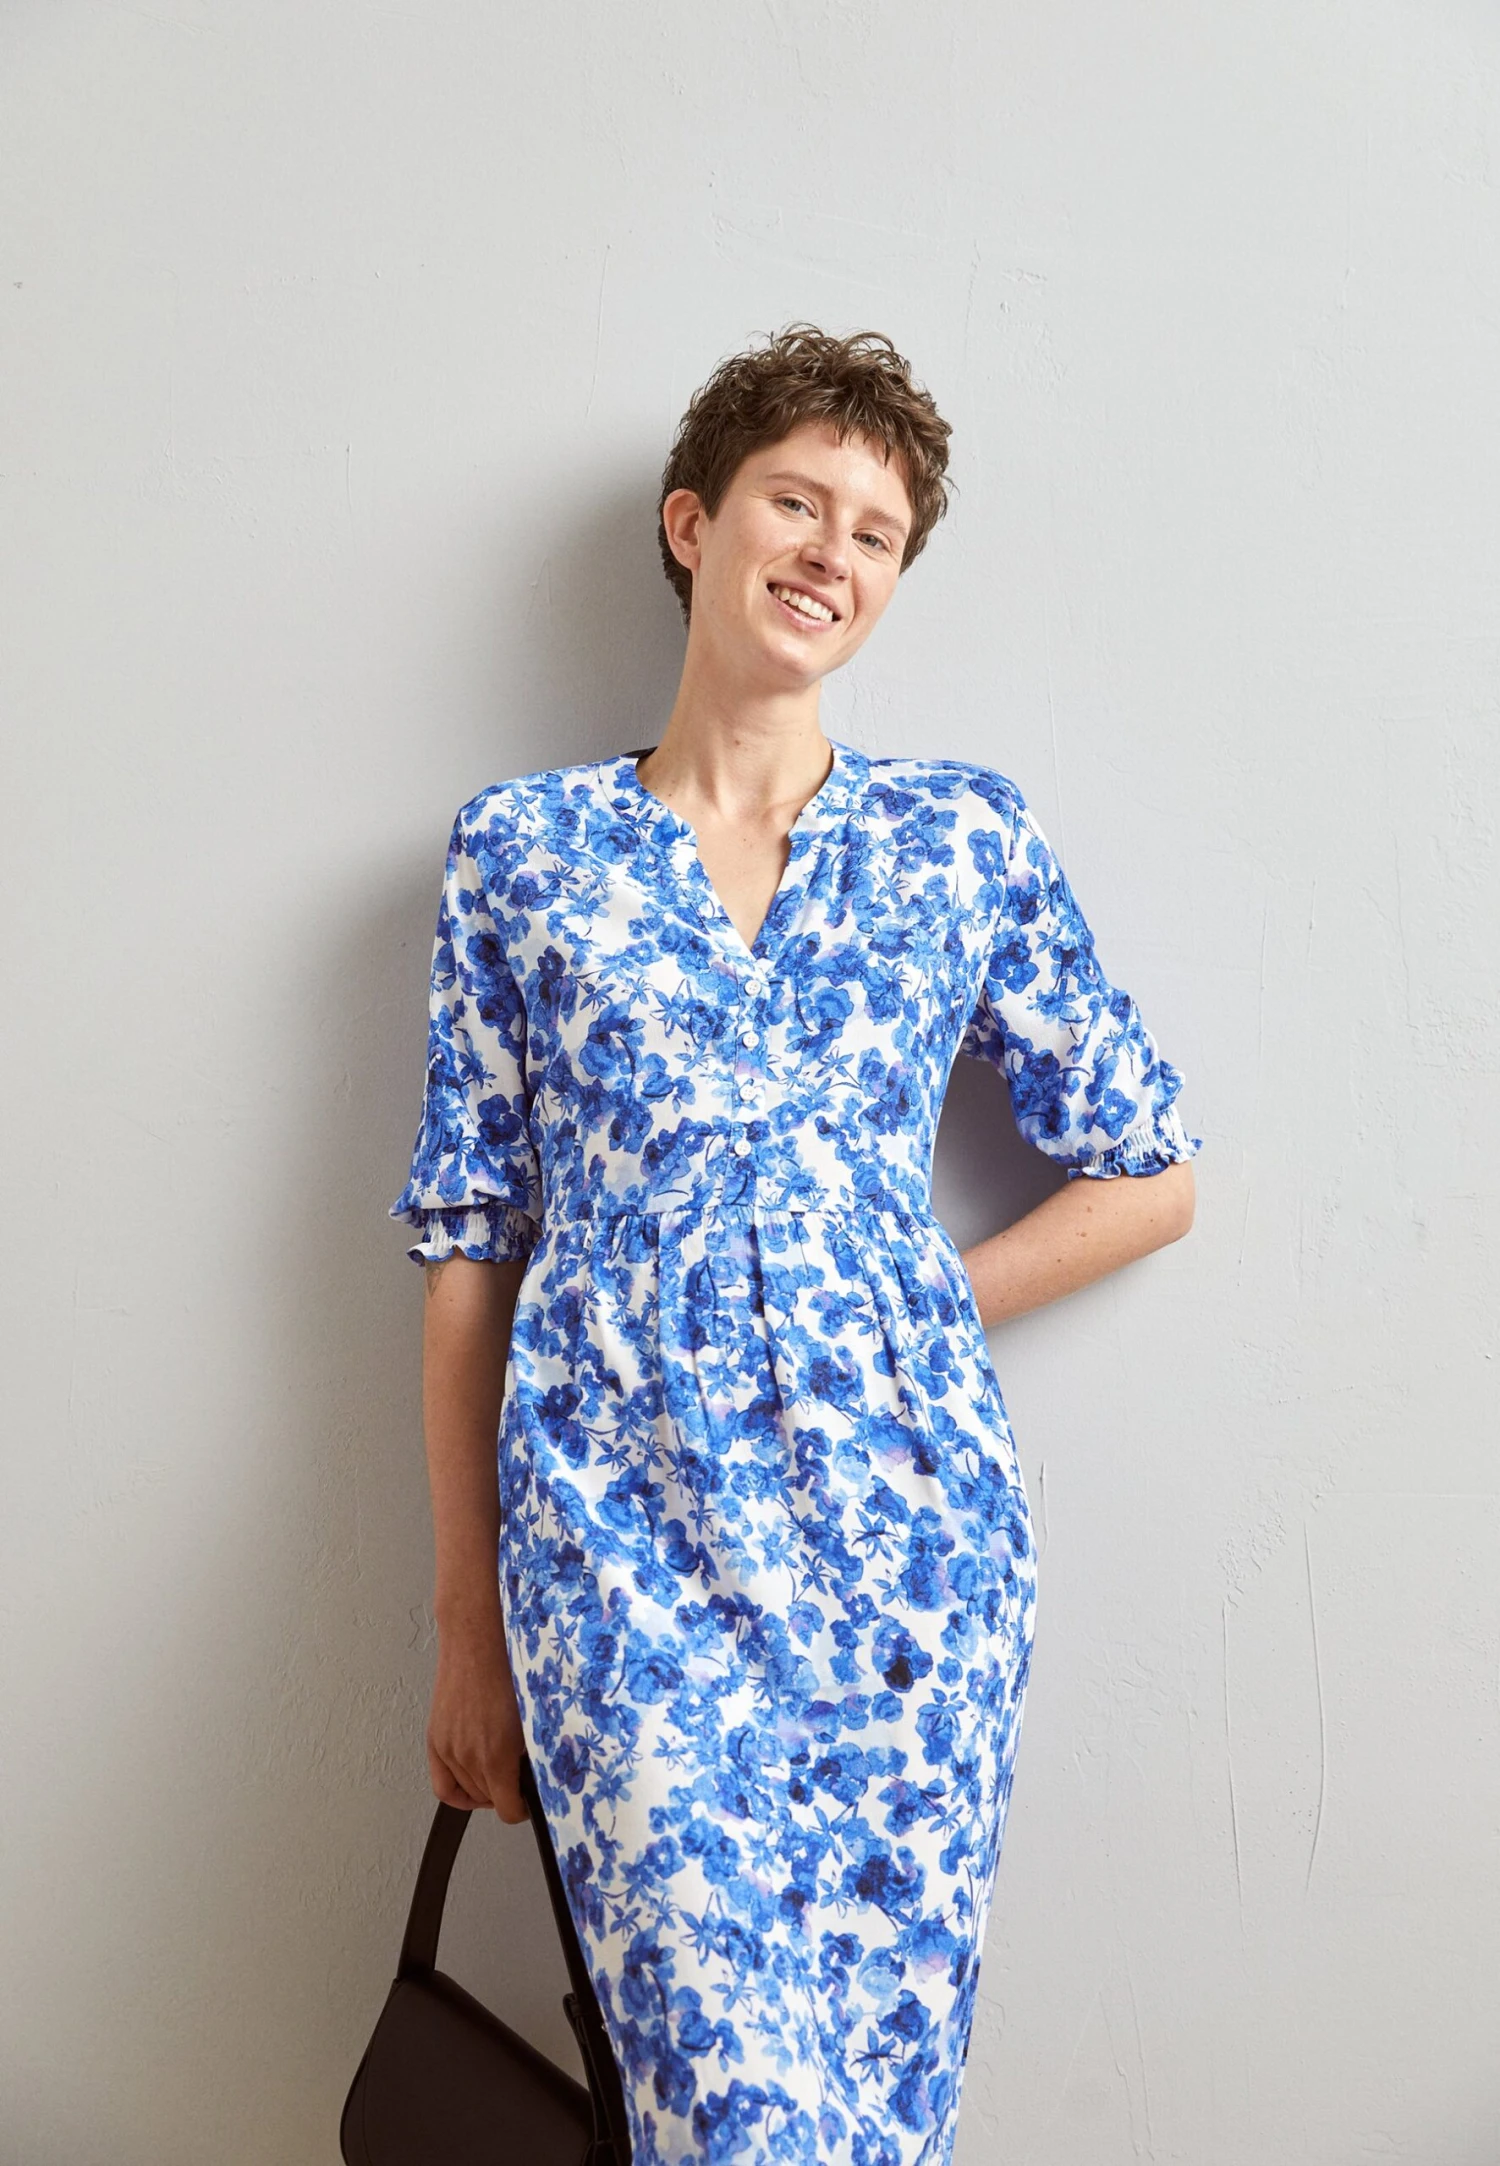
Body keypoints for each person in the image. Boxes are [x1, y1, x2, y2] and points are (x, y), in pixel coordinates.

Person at [390, 323, 1200, 2166]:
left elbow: (1150, 1170)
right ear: (695, 523)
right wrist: (466, 1624)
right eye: (797, 502)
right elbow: (468, 1252)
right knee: (728, 2106)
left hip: (910, 1559)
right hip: (618, 1554)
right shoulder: (523, 852)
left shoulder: (957, 841)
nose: (834, 550)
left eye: (878, 533)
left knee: (868, 2121)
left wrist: (906, 1301)